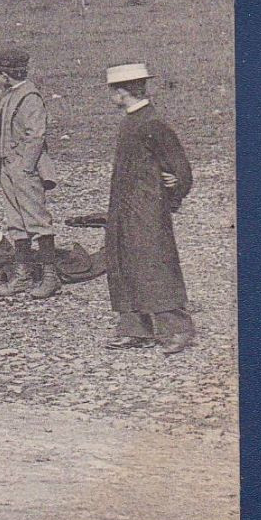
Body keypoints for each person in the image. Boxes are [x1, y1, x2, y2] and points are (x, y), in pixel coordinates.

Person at [102, 63, 196, 354]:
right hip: (124, 206)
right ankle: (134, 328)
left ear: (122, 92)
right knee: (123, 260)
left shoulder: (151, 123)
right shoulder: (131, 119)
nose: (111, 97)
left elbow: (181, 170)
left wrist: (173, 186)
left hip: (146, 208)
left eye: (113, 91)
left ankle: (177, 328)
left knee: (153, 262)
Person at [0, 46, 61, 300]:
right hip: (9, 168)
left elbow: (36, 135)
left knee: (37, 219)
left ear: (5, 74)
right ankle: (23, 274)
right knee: (16, 222)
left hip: (24, 168)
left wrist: (25, 166)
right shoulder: (11, 94)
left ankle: (50, 276)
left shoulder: (30, 97)